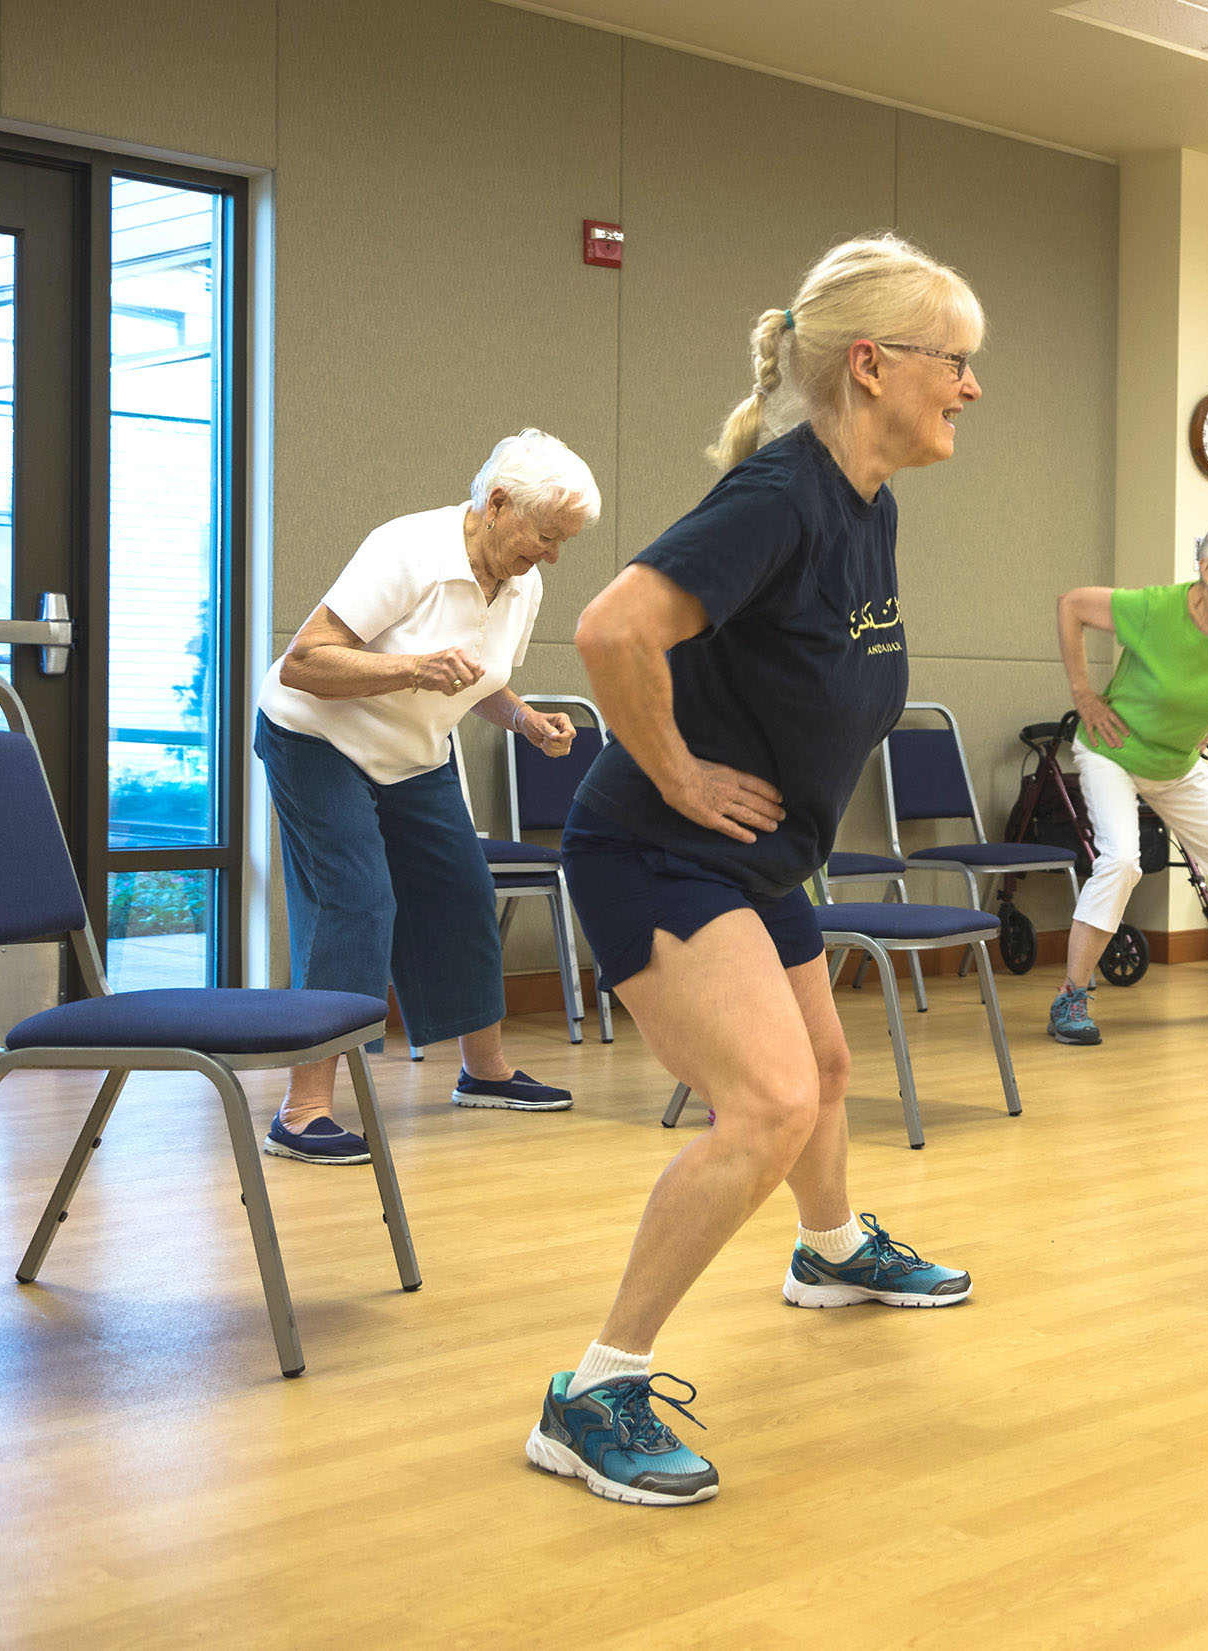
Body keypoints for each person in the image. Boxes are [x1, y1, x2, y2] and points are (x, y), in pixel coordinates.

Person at [526, 235, 981, 1507]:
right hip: (658, 847)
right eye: (958, 362)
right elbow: (613, 625)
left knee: (826, 1073)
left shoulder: (863, 503)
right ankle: (592, 1391)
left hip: (755, 853)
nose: (971, 387)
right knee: (771, 1104)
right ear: (875, 365)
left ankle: (829, 1253)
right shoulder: (781, 496)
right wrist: (673, 771)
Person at [253, 429, 596, 1165]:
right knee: (357, 899)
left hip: (411, 752)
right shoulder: (407, 549)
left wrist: (526, 719)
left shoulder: (521, 580)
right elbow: (305, 663)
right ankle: (303, 1108)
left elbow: (477, 678)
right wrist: (411, 669)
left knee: (463, 888)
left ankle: (485, 1071)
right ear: (497, 503)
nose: (553, 554)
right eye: (546, 535)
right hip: (316, 739)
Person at [1048, 520, 1208, 1045]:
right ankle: (1071, 995)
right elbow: (1071, 604)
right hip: (1112, 752)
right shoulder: (1156, 610)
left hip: (1177, 763)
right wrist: (1085, 695)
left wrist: (1202, 728)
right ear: (1206, 569)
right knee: (1122, 861)